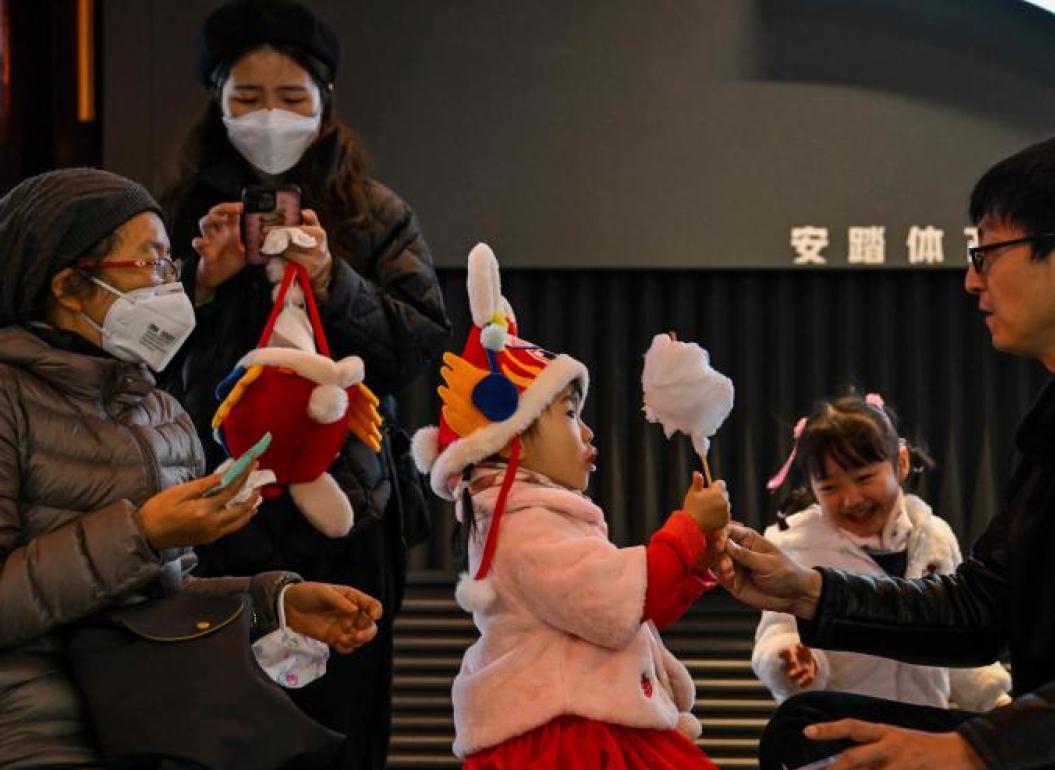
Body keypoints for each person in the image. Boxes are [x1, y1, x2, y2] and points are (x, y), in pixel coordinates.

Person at [717, 130, 1055, 770]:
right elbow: (982, 603)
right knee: (806, 729)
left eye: (986, 252)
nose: (971, 280)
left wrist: (981, 748)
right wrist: (806, 591)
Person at [0, 167, 383, 768]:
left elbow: (163, 599)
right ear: (70, 286)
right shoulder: (8, 399)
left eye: (169, 267)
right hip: (35, 730)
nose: (168, 285)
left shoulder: (161, 409)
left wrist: (272, 604)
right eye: (150, 265)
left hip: (154, 724)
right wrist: (143, 532)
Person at [159, 2, 451, 766]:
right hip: (217, 506)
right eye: (246, 98)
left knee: (345, 722)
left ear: (324, 106)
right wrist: (205, 285)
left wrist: (330, 276)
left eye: (291, 98)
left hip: (349, 505)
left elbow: (415, 345)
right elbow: (142, 370)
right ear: (215, 105)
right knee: (220, 720)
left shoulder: (375, 212)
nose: (269, 117)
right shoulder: (177, 214)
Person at [412, 244, 730, 768]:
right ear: (512, 437)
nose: (586, 431)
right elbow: (612, 602)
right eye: (568, 413)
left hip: (581, 726)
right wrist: (687, 530)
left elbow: (631, 610)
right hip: (567, 741)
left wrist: (695, 561)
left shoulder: (533, 516)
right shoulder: (523, 523)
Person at [752, 394, 1010, 712]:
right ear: (811, 486)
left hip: (923, 739)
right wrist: (788, 657)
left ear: (900, 463)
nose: (851, 499)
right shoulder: (797, 546)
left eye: (864, 478)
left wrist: (992, 698)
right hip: (836, 739)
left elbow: (957, 635)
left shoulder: (935, 538)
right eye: (830, 488)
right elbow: (778, 629)